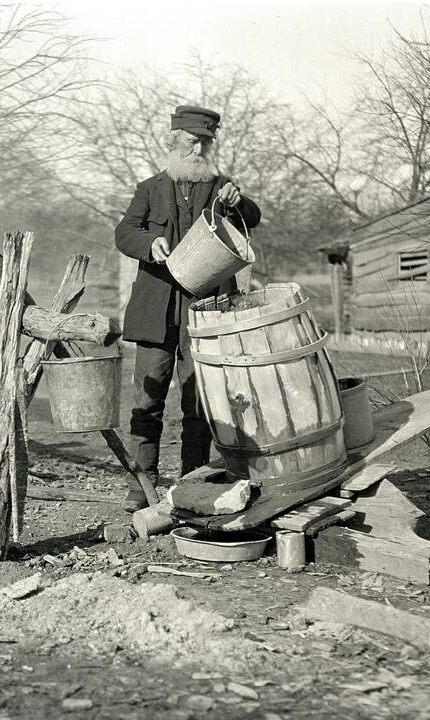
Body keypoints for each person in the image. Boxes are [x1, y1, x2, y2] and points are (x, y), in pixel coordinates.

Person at [114, 105, 262, 511]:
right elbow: (125, 232)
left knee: (199, 404)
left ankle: (191, 487)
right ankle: (139, 489)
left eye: (206, 142)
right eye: (192, 140)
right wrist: (149, 245)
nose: (199, 148)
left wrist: (239, 200)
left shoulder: (222, 188)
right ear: (173, 141)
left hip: (206, 311)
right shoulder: (149, 189)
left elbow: (253, 218)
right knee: (147, 401)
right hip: (156, 312)